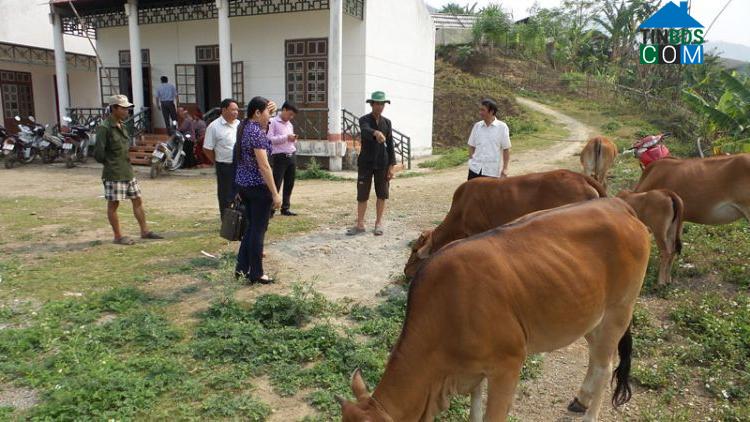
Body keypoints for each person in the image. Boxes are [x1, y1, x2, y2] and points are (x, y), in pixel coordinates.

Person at [93, 94, 162, 245]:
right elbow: (98, 153)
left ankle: (144, 231)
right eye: (123, 108)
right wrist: (111, 163)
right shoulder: (104, 128)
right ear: (114, 109)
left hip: (127, 171)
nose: (127, 112)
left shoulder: (122, 126)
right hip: (114, 172)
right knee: (114, 204)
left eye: (127, 109)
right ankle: (118, 236)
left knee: (137, 200)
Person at [234, 97, 281, 284]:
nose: (270, 117)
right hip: (258, 188)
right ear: (257, 113)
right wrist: (276, 193)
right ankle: (257, 273)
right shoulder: (255, 133)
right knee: (258, 231)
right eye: (268, 113)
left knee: (251, 229)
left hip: (244, 185)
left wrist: (271, 110)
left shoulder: (244, 126)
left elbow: (264, 126)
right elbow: (264, 166)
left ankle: (242, 269)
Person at [347, 91, 396, 237]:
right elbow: (365, 130)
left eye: (382, 104)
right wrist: (375, 133)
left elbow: (390, 144)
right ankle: (360, 224)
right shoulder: (364, 120)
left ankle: (378, 223)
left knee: (382, 194)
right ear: (372, 104)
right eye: (377, 103)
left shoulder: (387, 122)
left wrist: (391, 166)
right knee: (362, 194)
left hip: (383, 163)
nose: (380, 106)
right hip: (366, 163)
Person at [203, 98, 240, 220]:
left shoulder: (239, 124)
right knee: (225, 195)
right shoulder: (214, 127)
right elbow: (207, 149)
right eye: (233, 110)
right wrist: (216, 161)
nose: (236, 112)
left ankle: (240, 219)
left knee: (241, 192)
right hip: (224, 165)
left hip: (240, 164)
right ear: (224, 110)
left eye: (237, 110)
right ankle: (226, 221)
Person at [267, 101, 299, 216]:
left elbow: (288, 139)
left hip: (291, 154)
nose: (291, 117)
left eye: (293, 116)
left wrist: (293, 139)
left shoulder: (289, 124)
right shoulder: (272, 122)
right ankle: (270, 209)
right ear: (284, 110)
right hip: (279, 156)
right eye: (290, 114)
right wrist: (286, 137)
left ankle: (285, 207)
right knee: (276, 183)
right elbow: (269, 139)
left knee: (289, 183)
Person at [467, 99, 511, 180]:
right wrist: (472, 161)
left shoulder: (502, 127)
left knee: (489, 193)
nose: (480, 112)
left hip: (491, 171)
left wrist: (505, 168)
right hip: (474, 169)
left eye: (483, 110)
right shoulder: (477, 126)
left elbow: (506, 149)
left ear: (491, 111)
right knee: (472, 192)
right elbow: (471, 146)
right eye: (480, 110)